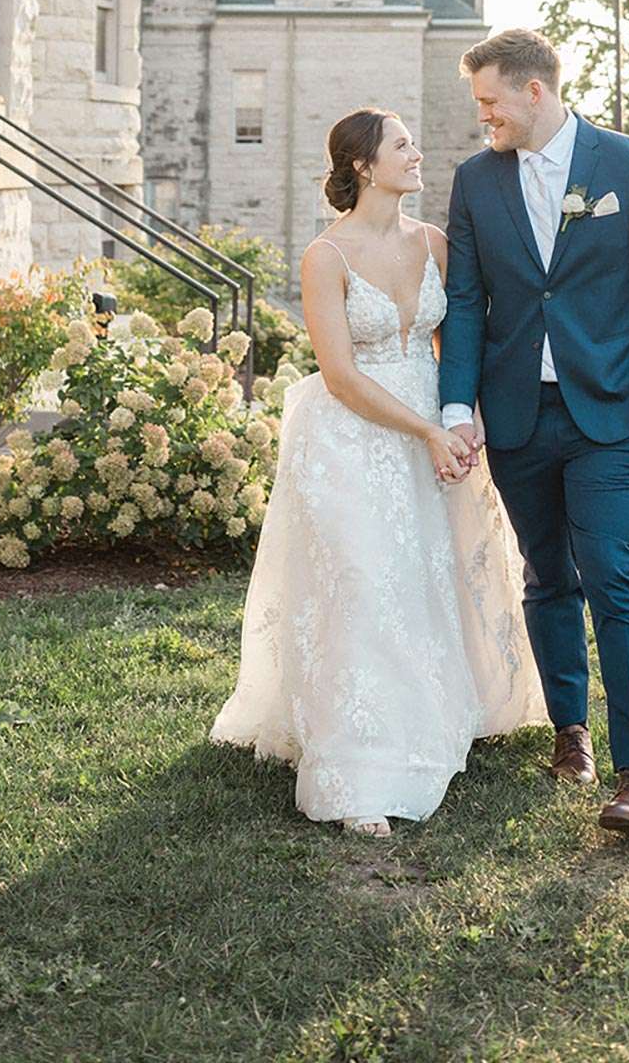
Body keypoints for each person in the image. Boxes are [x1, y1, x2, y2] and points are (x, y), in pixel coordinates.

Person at [209, 107, 543, 836]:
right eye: (403, 145)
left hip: (434, 424)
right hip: (355, 434)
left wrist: (463, 415)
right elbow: (338, 375)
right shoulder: (324, 257)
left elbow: (463, 339)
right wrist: (423, 428)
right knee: (363, 583)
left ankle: (444, 712)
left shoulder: (436, 243)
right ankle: (357, 766)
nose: (417, 153)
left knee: (435, 574)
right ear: (363, 165)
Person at [440, 28, 629, 836]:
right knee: (548, 576)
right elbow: (468, 303)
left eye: (490, 103)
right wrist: (457, 407)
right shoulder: (476, 182)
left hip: (614, 415)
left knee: (615, 576)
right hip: (518, 415)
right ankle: (570, 732)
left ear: (534, 92)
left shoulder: (628, 164)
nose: (485, 119)